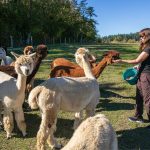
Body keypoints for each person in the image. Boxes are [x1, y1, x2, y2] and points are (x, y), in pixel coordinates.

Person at [113, 28, 150, 124]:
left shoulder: (149, 48)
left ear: (148, 36)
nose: (140, 38)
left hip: (146, 76)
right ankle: (138, 117)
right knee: (139, 97)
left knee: (147, 99)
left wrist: (121, 61)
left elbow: (137, 60)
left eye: (142, 36)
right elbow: (143, 61)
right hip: (141, 74)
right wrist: (138, 66)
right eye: (140, 36)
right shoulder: (146, 47)